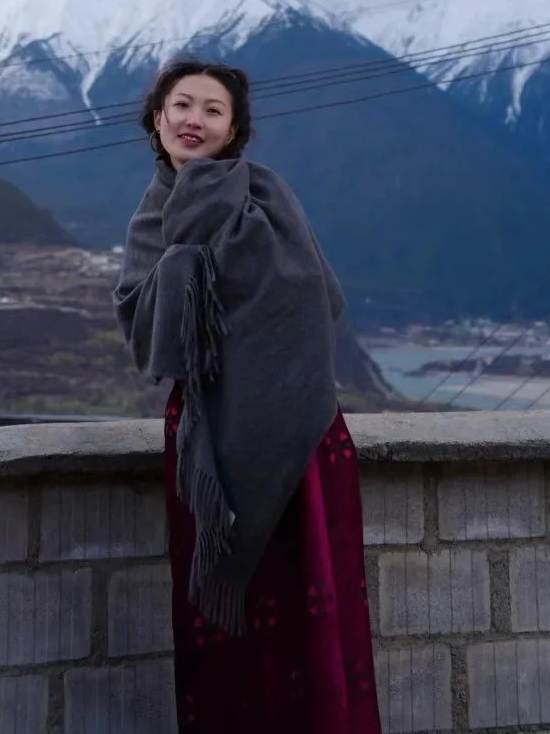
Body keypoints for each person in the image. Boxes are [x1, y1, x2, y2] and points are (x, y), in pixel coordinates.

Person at [114, 57, 382, 734]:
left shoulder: (266, 197)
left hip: (293, 429)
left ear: (234, 131)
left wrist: (211, 281)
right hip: (204, 440)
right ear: (157, 118)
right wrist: (183, 271)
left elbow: (314, 297)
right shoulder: (152, 215)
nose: (194, 120)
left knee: (304, 612)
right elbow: (147, 333)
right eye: (182, 105)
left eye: (213, 110)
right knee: (220, 625)